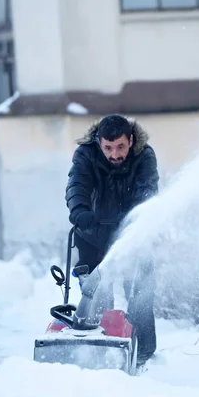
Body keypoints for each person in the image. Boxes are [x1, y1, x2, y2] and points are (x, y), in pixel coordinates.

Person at [65, 114, 159, 365]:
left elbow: (148, 191)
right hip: (92, 233)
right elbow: (77, 185)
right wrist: (80, 212)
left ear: (131, 140)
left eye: (120, 147)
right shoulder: (86, 154)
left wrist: (132, 219)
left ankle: (145, 356)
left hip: (134, 235)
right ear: (99, 142)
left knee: (139, 291)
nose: (114, 154)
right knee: (96, 292)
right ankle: (95, 350)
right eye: (108, 148)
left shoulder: (144, 156)